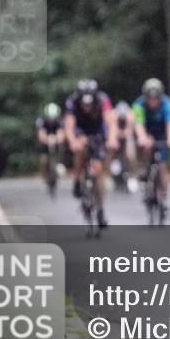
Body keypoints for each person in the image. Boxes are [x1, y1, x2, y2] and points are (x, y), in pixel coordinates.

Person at [64, 79, 118, 228]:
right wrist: (73, 141)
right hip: (80, 130)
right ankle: (76, 179)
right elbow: (69, 125)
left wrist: (112, 138)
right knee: (79, 150)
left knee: (99, 169)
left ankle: (100, 209)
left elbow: (111, 122)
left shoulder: (103, 100)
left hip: (97, 130)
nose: (87, 107)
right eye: (84, 104)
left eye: (89, 104)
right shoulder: (72, 101)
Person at [132, 78, 170, 214]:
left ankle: (163, 196)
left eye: (156, 98)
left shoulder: (169, 104)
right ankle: (145, 168)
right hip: (146, 131)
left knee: (163, 166)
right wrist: (142, 138)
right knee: (146, 146)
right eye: (150, 98)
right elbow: (138, 124)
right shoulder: (138, 105)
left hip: (162, 133)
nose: (153, 101)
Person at [36, 103, 65, 193]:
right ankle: (45, 177)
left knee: (60, 152)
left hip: (55, 141)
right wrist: (46, 139)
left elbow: (61, 133)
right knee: (43, 160)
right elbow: (41, 134)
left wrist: (57, 139)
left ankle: (59, 165)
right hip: (45, 141)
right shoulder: (41, 120)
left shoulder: (60, 120)